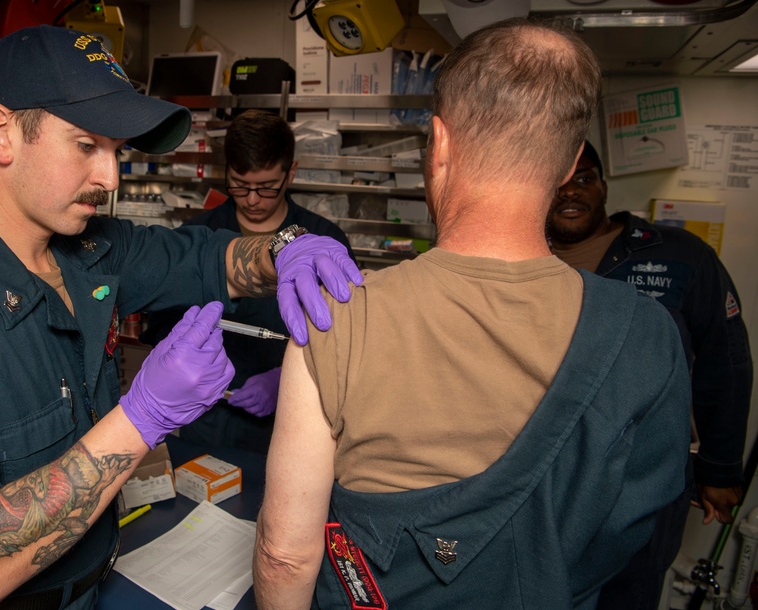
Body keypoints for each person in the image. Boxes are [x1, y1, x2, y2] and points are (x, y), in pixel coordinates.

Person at [0, 25, 362, 610]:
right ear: (1, 133)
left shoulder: (92, 248)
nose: (110, 180)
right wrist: (143, 418)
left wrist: (286, 246)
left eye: (116, 152)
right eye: (87, 146)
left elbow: (215, 260)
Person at [253, 17, 693, 609]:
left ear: (438, 143)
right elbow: (630, 535)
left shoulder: (335, 320)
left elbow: (286, 554)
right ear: (567, 168)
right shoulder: (647, 337)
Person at [547, 140, 753, 609]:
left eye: (584, 179)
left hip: (647, 474)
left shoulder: (681, 256)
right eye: (557, 184)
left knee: (629, 593)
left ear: (604, 186)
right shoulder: (520, 260)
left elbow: (726, 359)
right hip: (548, 469)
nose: (571, 194)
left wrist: (719, 466)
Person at [141, 109, 355, 452]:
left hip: (296, 421)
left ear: (291, 173)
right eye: (240, 185)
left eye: (267, 187)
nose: (252, 199)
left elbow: (348, 343)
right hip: (209, 419)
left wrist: (283, 378)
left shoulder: (324, 243)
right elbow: (160, 325)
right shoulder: (197, 239)